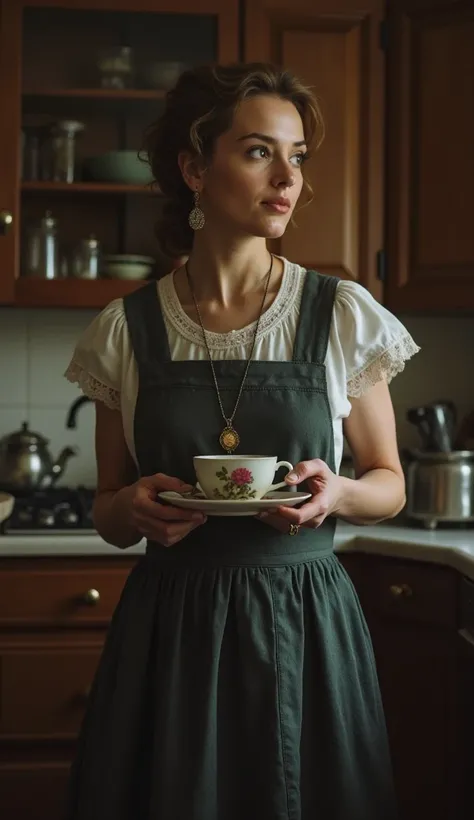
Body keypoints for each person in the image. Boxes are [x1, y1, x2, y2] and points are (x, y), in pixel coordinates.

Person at [64, 62, 419, 820]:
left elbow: (390, 481)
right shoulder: (124, 330)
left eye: (298, 156)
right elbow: (107, 512)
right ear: (194, 168)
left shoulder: (340, 314)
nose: (287, 176)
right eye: (260, 151)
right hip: (172, 627)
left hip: (306, 621)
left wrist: (342, 493)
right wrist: (132, 506)